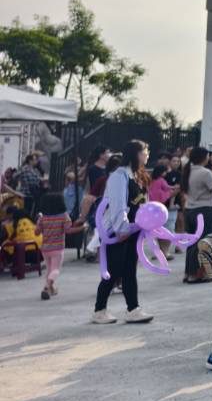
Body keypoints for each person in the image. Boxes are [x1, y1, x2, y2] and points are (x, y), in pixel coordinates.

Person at [92, 139, 154, 325]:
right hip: (119, 231)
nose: (147, 154)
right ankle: (99, 310)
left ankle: (133, 309)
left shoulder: (136, 175)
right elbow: (118, 204)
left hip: (134, 230)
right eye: (145, 151)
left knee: (128, 270)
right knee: (114, 269)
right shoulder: (119, 175)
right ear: (135, 154)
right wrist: (121, 229)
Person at [35, 192, 82, 300]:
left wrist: (39, 222)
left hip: (45, 248)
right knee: (55, 270)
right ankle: (46, 288)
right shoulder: (64, 216)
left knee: (49, 269)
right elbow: (68, 230)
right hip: (57, 248)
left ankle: (51, 289)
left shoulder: (43, 217)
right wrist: (81, 228)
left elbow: (36, 233)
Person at [179, 147, 212, 235]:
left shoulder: (188, 170)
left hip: (189, 209)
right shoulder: (205, 172)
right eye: (208, 156)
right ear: (204, 157)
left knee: (192, 239)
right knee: (203, 239)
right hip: (204, 209)